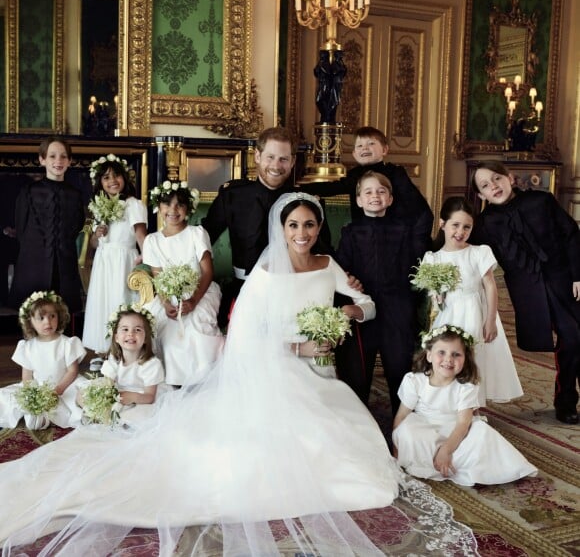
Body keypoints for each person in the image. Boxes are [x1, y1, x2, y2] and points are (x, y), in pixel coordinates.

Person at [0, 193, 477, 556]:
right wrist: (301, 343)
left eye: (310, 224)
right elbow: (250, 334)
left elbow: (368, 305)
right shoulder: (266, 276)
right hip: (275, 368)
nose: (304, 232)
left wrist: (351, 310)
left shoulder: (329, 265)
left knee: (352, 435)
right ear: (283, 228)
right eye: (295, 225)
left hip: (319, 370)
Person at [471, 161, 580, 425]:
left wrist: (578, 274)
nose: (493, 186)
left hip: (564, 281)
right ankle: (566, 399)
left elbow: (572, 234)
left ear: (510, 177)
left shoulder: (541, 201)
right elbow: (470, 253)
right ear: (480, 195)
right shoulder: (485, 224)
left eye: (497, 179)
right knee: (570, 339)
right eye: (485, 185)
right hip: (528, 292)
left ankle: (565, 399)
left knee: (574, 339)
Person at [393, 324, 537, 486]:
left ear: (465, 359)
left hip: (456, 432)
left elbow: (463, 424)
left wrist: (446, 450)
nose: (448, 359)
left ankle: (448, 460)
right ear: (429, 356)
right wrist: (397, 448)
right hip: (425, 430)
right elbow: (401, 416)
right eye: (442, 352)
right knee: (407, 429)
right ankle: (428, 460)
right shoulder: (414, 380)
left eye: (456, 355)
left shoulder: (466, 386)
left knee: (482, 432)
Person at [421, 196, 523, 407]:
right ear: (442, 224)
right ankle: (452, 404)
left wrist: (491, 320)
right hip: (448, 315)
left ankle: (473, 408)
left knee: (475, 358)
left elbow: (490, 287)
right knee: (449, 358)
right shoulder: (433, 258)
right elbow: (433, 293)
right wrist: (436, 295)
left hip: (476, 312)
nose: (460, 232)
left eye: (466, 227)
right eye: (455, 225)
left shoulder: (478, 252)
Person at [335, 171, 419, 414]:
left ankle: (402, 424)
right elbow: (342, 267)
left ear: (390, 199)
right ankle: (358, 422)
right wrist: (348, 277)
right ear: (359, 200)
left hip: (397, 306)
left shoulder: (404, 230)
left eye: (381, 191)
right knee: (357, 371)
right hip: (364, 307)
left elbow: (414, 265)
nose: (375, 196)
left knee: (399, 367)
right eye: (368, 192)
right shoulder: (350, 232)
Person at [202, 126, 298, 326]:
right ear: (257, 156)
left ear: (292, 162)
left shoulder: (302, 200)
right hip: (244, 288)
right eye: (270, 157)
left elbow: (323, 251)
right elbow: (204, 236)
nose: (276, 165)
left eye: (283, 159)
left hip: (290, 289)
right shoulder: (232, 195)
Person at [302, 126, 433, 261]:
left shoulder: (395, 173)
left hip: (397, 237)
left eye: (371, 143)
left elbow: (420, 210)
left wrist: (415, 245)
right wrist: (299, 190)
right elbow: (332, 188)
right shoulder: (354, 176)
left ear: (385, 150)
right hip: (366, 238)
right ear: (354, 153)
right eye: (359, 145)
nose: (364, 148)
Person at [143, 181, 223, 386]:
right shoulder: (152, 240)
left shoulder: (197, 233)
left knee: (196, 329)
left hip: (200, 291)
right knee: (165, 331)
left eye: (179, 205)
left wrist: (194, 300)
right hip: (168, 295)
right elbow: (158, 277)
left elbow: (207, 271)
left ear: (188, 208)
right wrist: (165, 303)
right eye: (167, 204)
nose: (173, 210)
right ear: (158, 207)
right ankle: (172, 380)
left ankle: (204, 377)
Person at [8, 136, 86, 315]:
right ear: (42, 160)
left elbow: (76, 226)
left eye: (63, 156)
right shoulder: (28, 191)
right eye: (52, 156)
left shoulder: (75, 195)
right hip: (33, 263)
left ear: (70, 161)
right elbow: (21, 227)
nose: (58, 161)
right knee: (33, 315)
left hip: (64, 264)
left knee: (62, 313)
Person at [82, 154, 148, 358]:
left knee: (121, 301)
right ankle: (104, 352)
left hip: (123, 261)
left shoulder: (132, 204)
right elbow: (94, 244)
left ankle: (124, 352)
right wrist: (97, 234)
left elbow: (141, 237)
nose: (112, 181)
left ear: (125, 178)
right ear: (100, 183)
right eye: (107, 178)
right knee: (103, 303)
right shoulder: (98, 207)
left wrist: (145, 262)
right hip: (104, 262)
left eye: (116, 176)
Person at [0, 291, 86, 429]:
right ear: (30, 321)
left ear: (59, 316)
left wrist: (58, 390)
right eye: (41, 318)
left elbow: (72, 371)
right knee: (5, 397)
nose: (48, 321)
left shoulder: (67, 343)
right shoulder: (27, 346)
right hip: (40, 388)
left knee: (81, 398)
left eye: (52, 316)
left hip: (65, 386)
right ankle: (40, 415)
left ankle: (50, 416)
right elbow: (27, 377)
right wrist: (32, 395)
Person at [84, 304, 168, 425]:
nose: (131, 334)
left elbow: (150, 397)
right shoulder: (115, 359)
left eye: (137, 330)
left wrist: (132, 397)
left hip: (141, 397)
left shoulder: (151, 364)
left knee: (134, 416)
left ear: (145, 338)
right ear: (116, 337)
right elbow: (108, 384)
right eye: (125, 329)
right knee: (83, 394)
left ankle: (114, 420)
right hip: (120, 394)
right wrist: (104, 398)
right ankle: (96, 414)